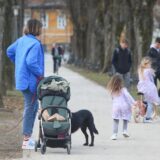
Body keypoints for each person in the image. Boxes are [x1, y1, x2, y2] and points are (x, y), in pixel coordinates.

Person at [6, 19, 44, 149]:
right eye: (41, 28)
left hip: (23, 80)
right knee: (30, 108)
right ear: (36, 29)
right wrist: (40, 74)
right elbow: (31, 62)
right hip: (30, 82)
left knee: (33, 107)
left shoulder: (21, 40)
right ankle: (26, 140)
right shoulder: (35, 44)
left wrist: (19, 63)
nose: (42, 31)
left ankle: (28, 138)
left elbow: (9, 51)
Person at [107, 74, 136, 140]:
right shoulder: (123, 90)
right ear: (121, 82)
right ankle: (124, 130)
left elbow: (112, 98)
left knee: (116, 120)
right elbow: (128, 96)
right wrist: (134, 102)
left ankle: (114, 134)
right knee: (125, 118)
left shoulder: (112, 90)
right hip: (124, 106)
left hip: (116, 107)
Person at [137, 56, 160, 123]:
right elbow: (154, 75)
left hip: (141, 88)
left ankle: (143, 114)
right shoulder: (149, 70)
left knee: (147, 102)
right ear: (146, 64)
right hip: (149, 88)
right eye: (149, 64)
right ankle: (147, 118)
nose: (150, 65)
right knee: (150, 103)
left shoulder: (140, 70)